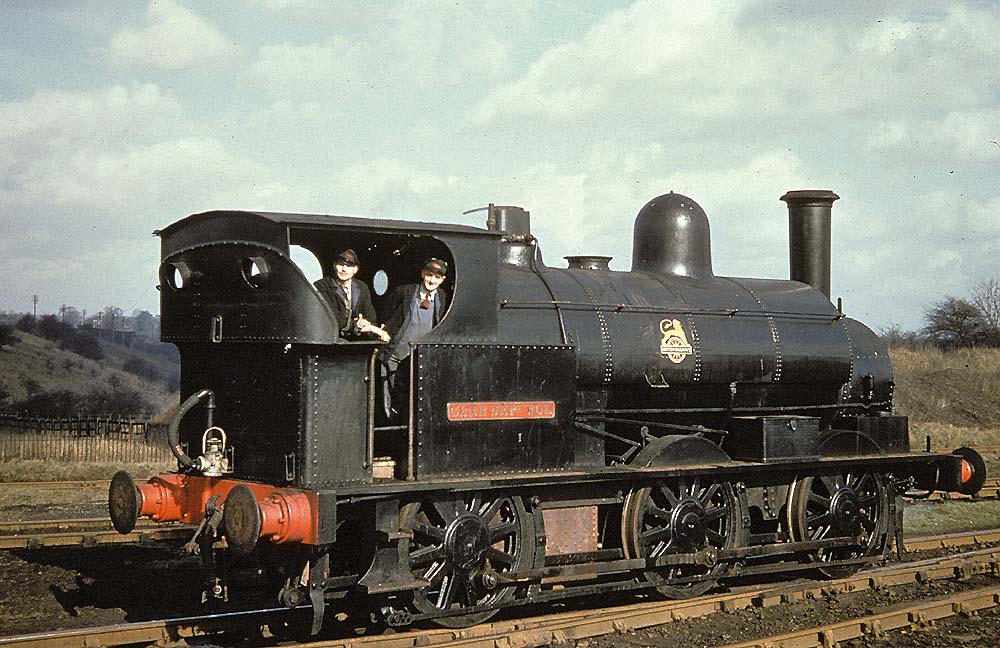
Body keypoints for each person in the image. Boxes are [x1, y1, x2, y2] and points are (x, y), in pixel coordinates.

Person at [380, 258, 449, 416]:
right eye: (429, 275)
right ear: (422, 273)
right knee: (392, 395)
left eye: (437, 277)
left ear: (442, 280)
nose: (432, 280)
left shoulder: (441, 296)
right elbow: (387, 314)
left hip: (420, 356)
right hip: (396, 353)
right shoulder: (404, 292)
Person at [314, 249, 390, 342]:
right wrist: (359, 325)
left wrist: (366, 324)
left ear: (355, 269)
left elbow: (370, 316)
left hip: (356, 341)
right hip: (331, 341)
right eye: (340, 264)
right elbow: (333, 318)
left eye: (349, 266)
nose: (344, 269)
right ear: (334, 265)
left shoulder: (362, 287)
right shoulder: (322, 286)